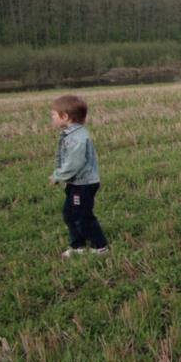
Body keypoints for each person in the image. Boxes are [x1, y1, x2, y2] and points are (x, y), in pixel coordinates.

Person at [49, 94, 109, 258]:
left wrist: (58, 176)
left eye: (53, 115)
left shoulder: (77, 138)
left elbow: (74, 163)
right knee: (70, 214)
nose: (51, 118)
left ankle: (100, 246)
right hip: (76, 183)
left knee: (82, 216)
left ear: (65, 116)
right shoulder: (71, 134)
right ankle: (77, 246)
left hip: (83, 184)